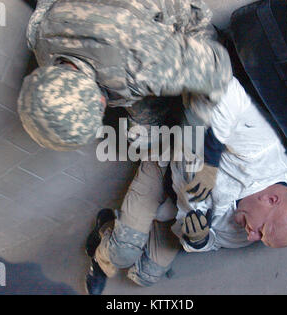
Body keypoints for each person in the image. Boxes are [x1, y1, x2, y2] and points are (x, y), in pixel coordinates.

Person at [84, 76, 287, 295]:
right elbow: (224, 87)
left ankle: (130, 223)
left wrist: (199, 240)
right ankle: (104, 239)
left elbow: (216, 242)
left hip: (178, 209)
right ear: (271, 199)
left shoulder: (249, 230)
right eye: (260, 231)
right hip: (166, 166)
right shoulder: (259, 152)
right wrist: (210, 159)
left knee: (146, 275)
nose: (251, 237)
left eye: (261, 239)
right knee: (122, 253)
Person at [18, 0, 232, 199]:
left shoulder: (139, 65)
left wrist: (193, 137)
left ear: (101, 103)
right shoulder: (42, 34)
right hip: (123, 31)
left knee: (197, 101)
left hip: (177, 23)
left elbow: (218, 66)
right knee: (141, 137)